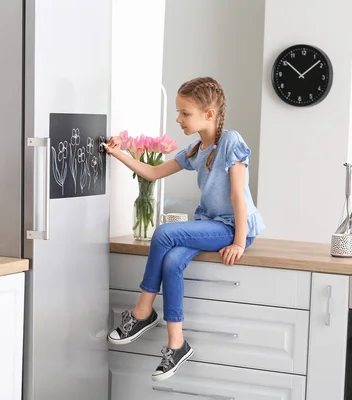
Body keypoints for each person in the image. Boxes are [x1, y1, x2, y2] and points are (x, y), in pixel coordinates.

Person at [104, 76, 265, 381]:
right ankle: (176, 344)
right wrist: (117, 153)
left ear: (209, 114)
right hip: (210, 225)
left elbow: (238, 197)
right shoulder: (195, 150)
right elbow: (152, 173)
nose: (178, 119)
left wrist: (240, 242)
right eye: (178, 112)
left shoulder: (230, 142)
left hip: (235, 228)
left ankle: (142, 311)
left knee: (165, 232)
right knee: (173, 260)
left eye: (184, 113)